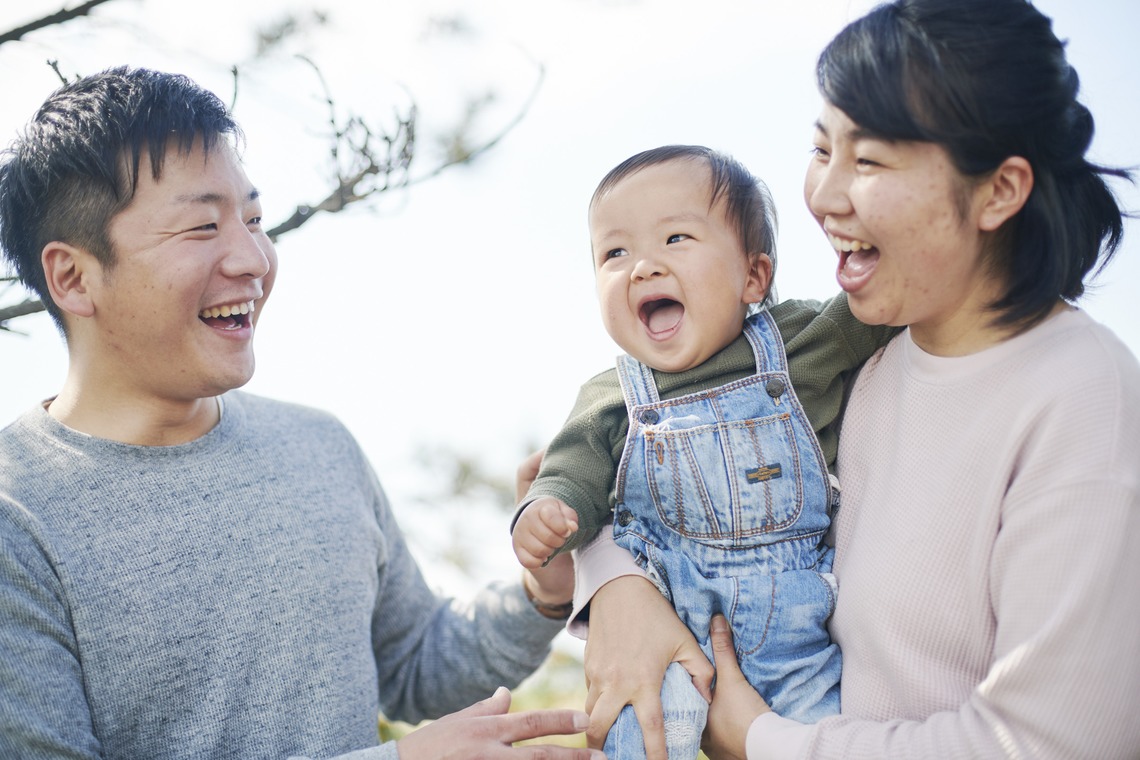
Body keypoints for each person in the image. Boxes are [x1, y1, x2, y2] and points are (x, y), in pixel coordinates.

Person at [575, 1, 1140, 758]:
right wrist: (612, 582)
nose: (823, 195)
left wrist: (762, 741)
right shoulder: (858, 370)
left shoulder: (1080, 395)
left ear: (1000, 191)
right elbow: (635, 473)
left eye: (868, 161)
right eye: (821, 151)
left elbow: (1051, 744)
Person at [0, 66, 604, 760]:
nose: (254, 258)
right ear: (74, 277)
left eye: (254, 220)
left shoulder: (320, 446)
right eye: (202, 226)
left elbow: (414, 667)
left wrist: (541, 592)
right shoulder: (18, 514)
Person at [510, 145, 896, 757]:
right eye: (615, 253)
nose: (642, 267)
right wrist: (549, 506)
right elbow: (573, 464)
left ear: (753, 277)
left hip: (795, 635)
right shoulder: (614, 393)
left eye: (676, 239)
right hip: (666, 631)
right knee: (640, 727)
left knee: (819, 736)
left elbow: (887, 303)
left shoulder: (798, 342)